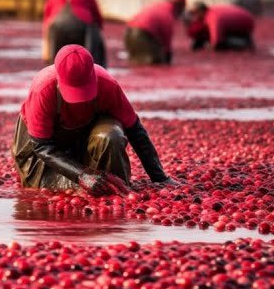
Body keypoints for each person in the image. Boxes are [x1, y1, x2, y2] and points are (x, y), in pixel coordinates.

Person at [12, 45, 176, 196]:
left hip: (83, 139)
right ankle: (96, 181)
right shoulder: (43, 90)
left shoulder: (107, 85)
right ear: (59, 82)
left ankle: (118, 189)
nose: (80, 100)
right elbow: (42, 146)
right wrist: (82, 175)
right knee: (54, 188)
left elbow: (135, 130)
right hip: (42, 152)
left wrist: (159, 178)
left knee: (111, 140)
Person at [42, 0, 107, 67]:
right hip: (82, 23)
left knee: (54, 61)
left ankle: (53, 70)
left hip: (57, 25)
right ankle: (93, 67)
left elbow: (47, 17)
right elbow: (96, 15)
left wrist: (46, 46)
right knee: (95, 44)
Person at [124, 0, 186, 65]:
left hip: (128, 32)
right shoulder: (168, 14)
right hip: (141, 35)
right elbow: (167, 40)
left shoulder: (158, 5)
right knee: (152, 61)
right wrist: (167, 58)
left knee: (137, 61)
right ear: (180, 5)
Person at [184, 1, 255, 51]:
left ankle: (243, 43)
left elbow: (217, 42)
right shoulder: (211, 12)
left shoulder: (212, 17)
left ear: (201, 11)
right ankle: (243, 40)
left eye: (194, 13)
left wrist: (209, 46)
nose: (194, 17)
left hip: (245, 24)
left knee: (222, 44)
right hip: (246, 19)